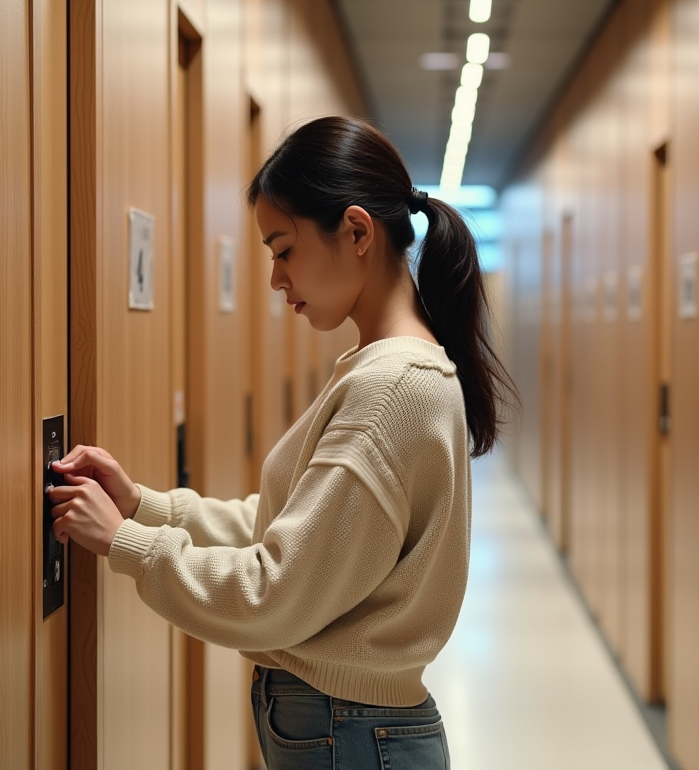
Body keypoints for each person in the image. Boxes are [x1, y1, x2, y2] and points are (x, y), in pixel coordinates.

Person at [47, 115, 515, 770]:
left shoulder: (392, 387)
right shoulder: (385, 368)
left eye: (283, 249)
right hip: (349, 729)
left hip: (350, 735)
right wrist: (144, 506)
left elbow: (278, 591)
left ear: (356, 232)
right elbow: (292, 527)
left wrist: (129, 544)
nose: (275, 278)